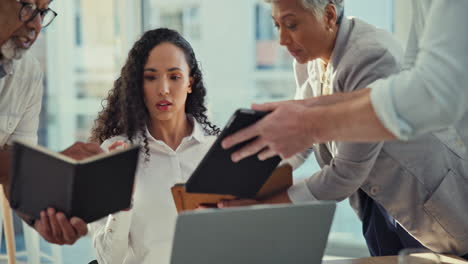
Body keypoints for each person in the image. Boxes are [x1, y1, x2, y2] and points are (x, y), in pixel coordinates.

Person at [218, 0, 468, 258]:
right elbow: (301, 142)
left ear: (328, 15)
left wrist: (262, 205)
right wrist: (249, 179)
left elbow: (345, 173)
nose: (282, 39)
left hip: (426, 197)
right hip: (377, 204)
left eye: (291, 25)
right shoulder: (307, 57)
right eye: (276, 25)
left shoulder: (371, 54)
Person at [88, 28, 219, 264]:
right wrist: (122, 200)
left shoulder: (216, 150)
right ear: (138, 85)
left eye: (174, 76)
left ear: (190, 82)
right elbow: (107, 258)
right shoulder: (114, 154)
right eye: (151, 77)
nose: (163, 89)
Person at [0, 0, 103, 245]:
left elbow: (15, 178)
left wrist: (43, 215)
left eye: (43, 12)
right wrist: (48, 167)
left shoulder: (28, 72)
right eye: (27, 5)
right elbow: (15, 165)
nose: (36, 23)